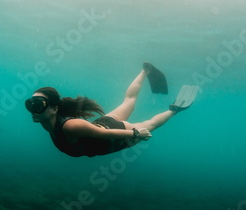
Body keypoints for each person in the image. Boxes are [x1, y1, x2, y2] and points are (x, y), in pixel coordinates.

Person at [25, 62, 198, 157]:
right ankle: (146, 70)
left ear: (54, 109)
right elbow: (97, 132)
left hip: (109, 137)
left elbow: (104, 135)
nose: (34, 109)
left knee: (149, 124)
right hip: (102, 126)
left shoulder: (69, 126)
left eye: (39, 104)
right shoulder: (48, 121)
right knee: (128, 101)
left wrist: (136, 134)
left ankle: (175, 109)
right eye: (31, 104)